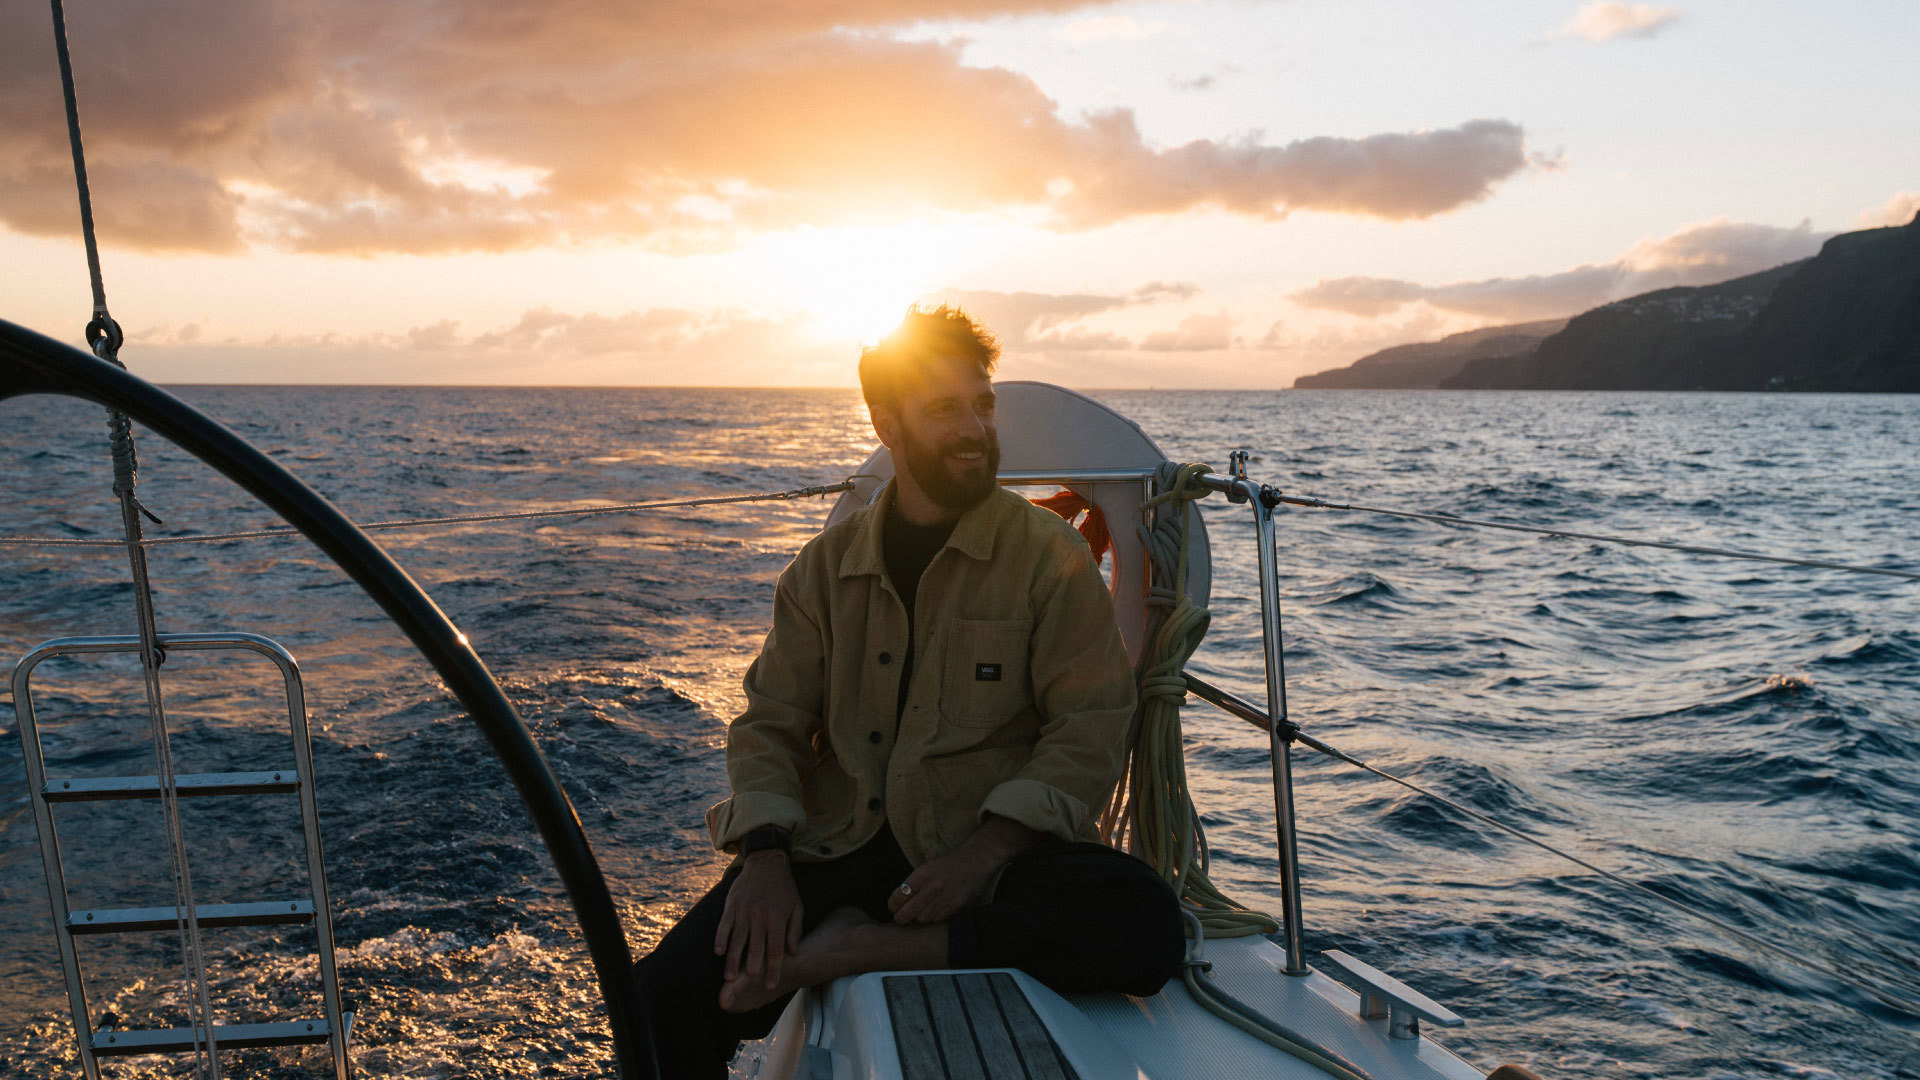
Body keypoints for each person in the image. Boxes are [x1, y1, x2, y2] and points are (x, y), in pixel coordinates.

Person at [631, 305, 1184, 1076]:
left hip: (990, 851)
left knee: (1147, 925)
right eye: (944, 410)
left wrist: (982, 855)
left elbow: (1089, 726)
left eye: (982, 405)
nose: (975, 429)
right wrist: (764, 861)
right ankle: (851, 928)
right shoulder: (823, 571)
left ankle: (865, 947)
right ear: (887, 425)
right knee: (660, 997)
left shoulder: (1047, 559)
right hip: (844, 843)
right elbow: (771, 725)